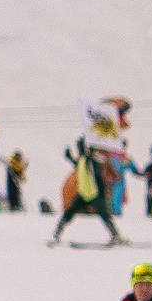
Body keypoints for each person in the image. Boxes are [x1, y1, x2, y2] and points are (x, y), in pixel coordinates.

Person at [52, 104, 127, 245]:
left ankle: (116, 235)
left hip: (94, 193)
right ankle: (57, 234)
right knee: (69, 213)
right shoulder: (83, 160)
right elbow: (78, 165)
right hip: (83, 193)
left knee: (104, 216)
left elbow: (97, 171)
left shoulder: (93, 159)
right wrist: (69, 157)